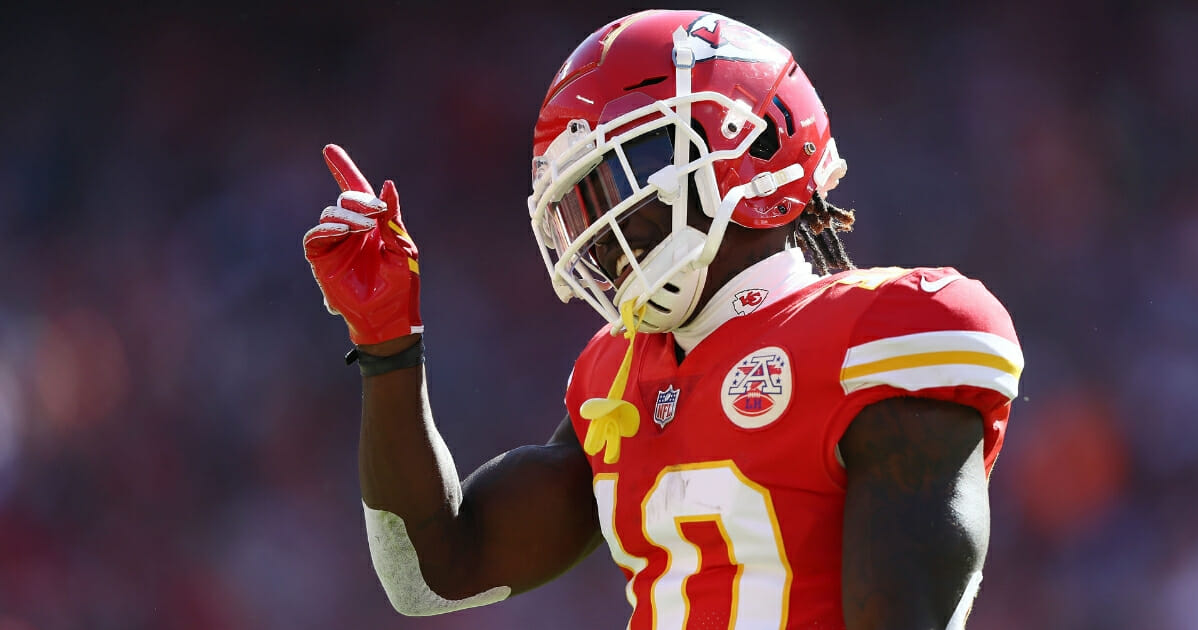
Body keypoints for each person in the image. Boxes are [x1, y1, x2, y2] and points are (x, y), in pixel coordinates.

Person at [302, 9, 1024, 630]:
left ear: (750, 151)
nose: (600, 228)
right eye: (579, 203)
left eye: (619, 180)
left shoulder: (886, 331)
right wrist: (388, 347)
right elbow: (433, 575)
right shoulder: (615, 373)